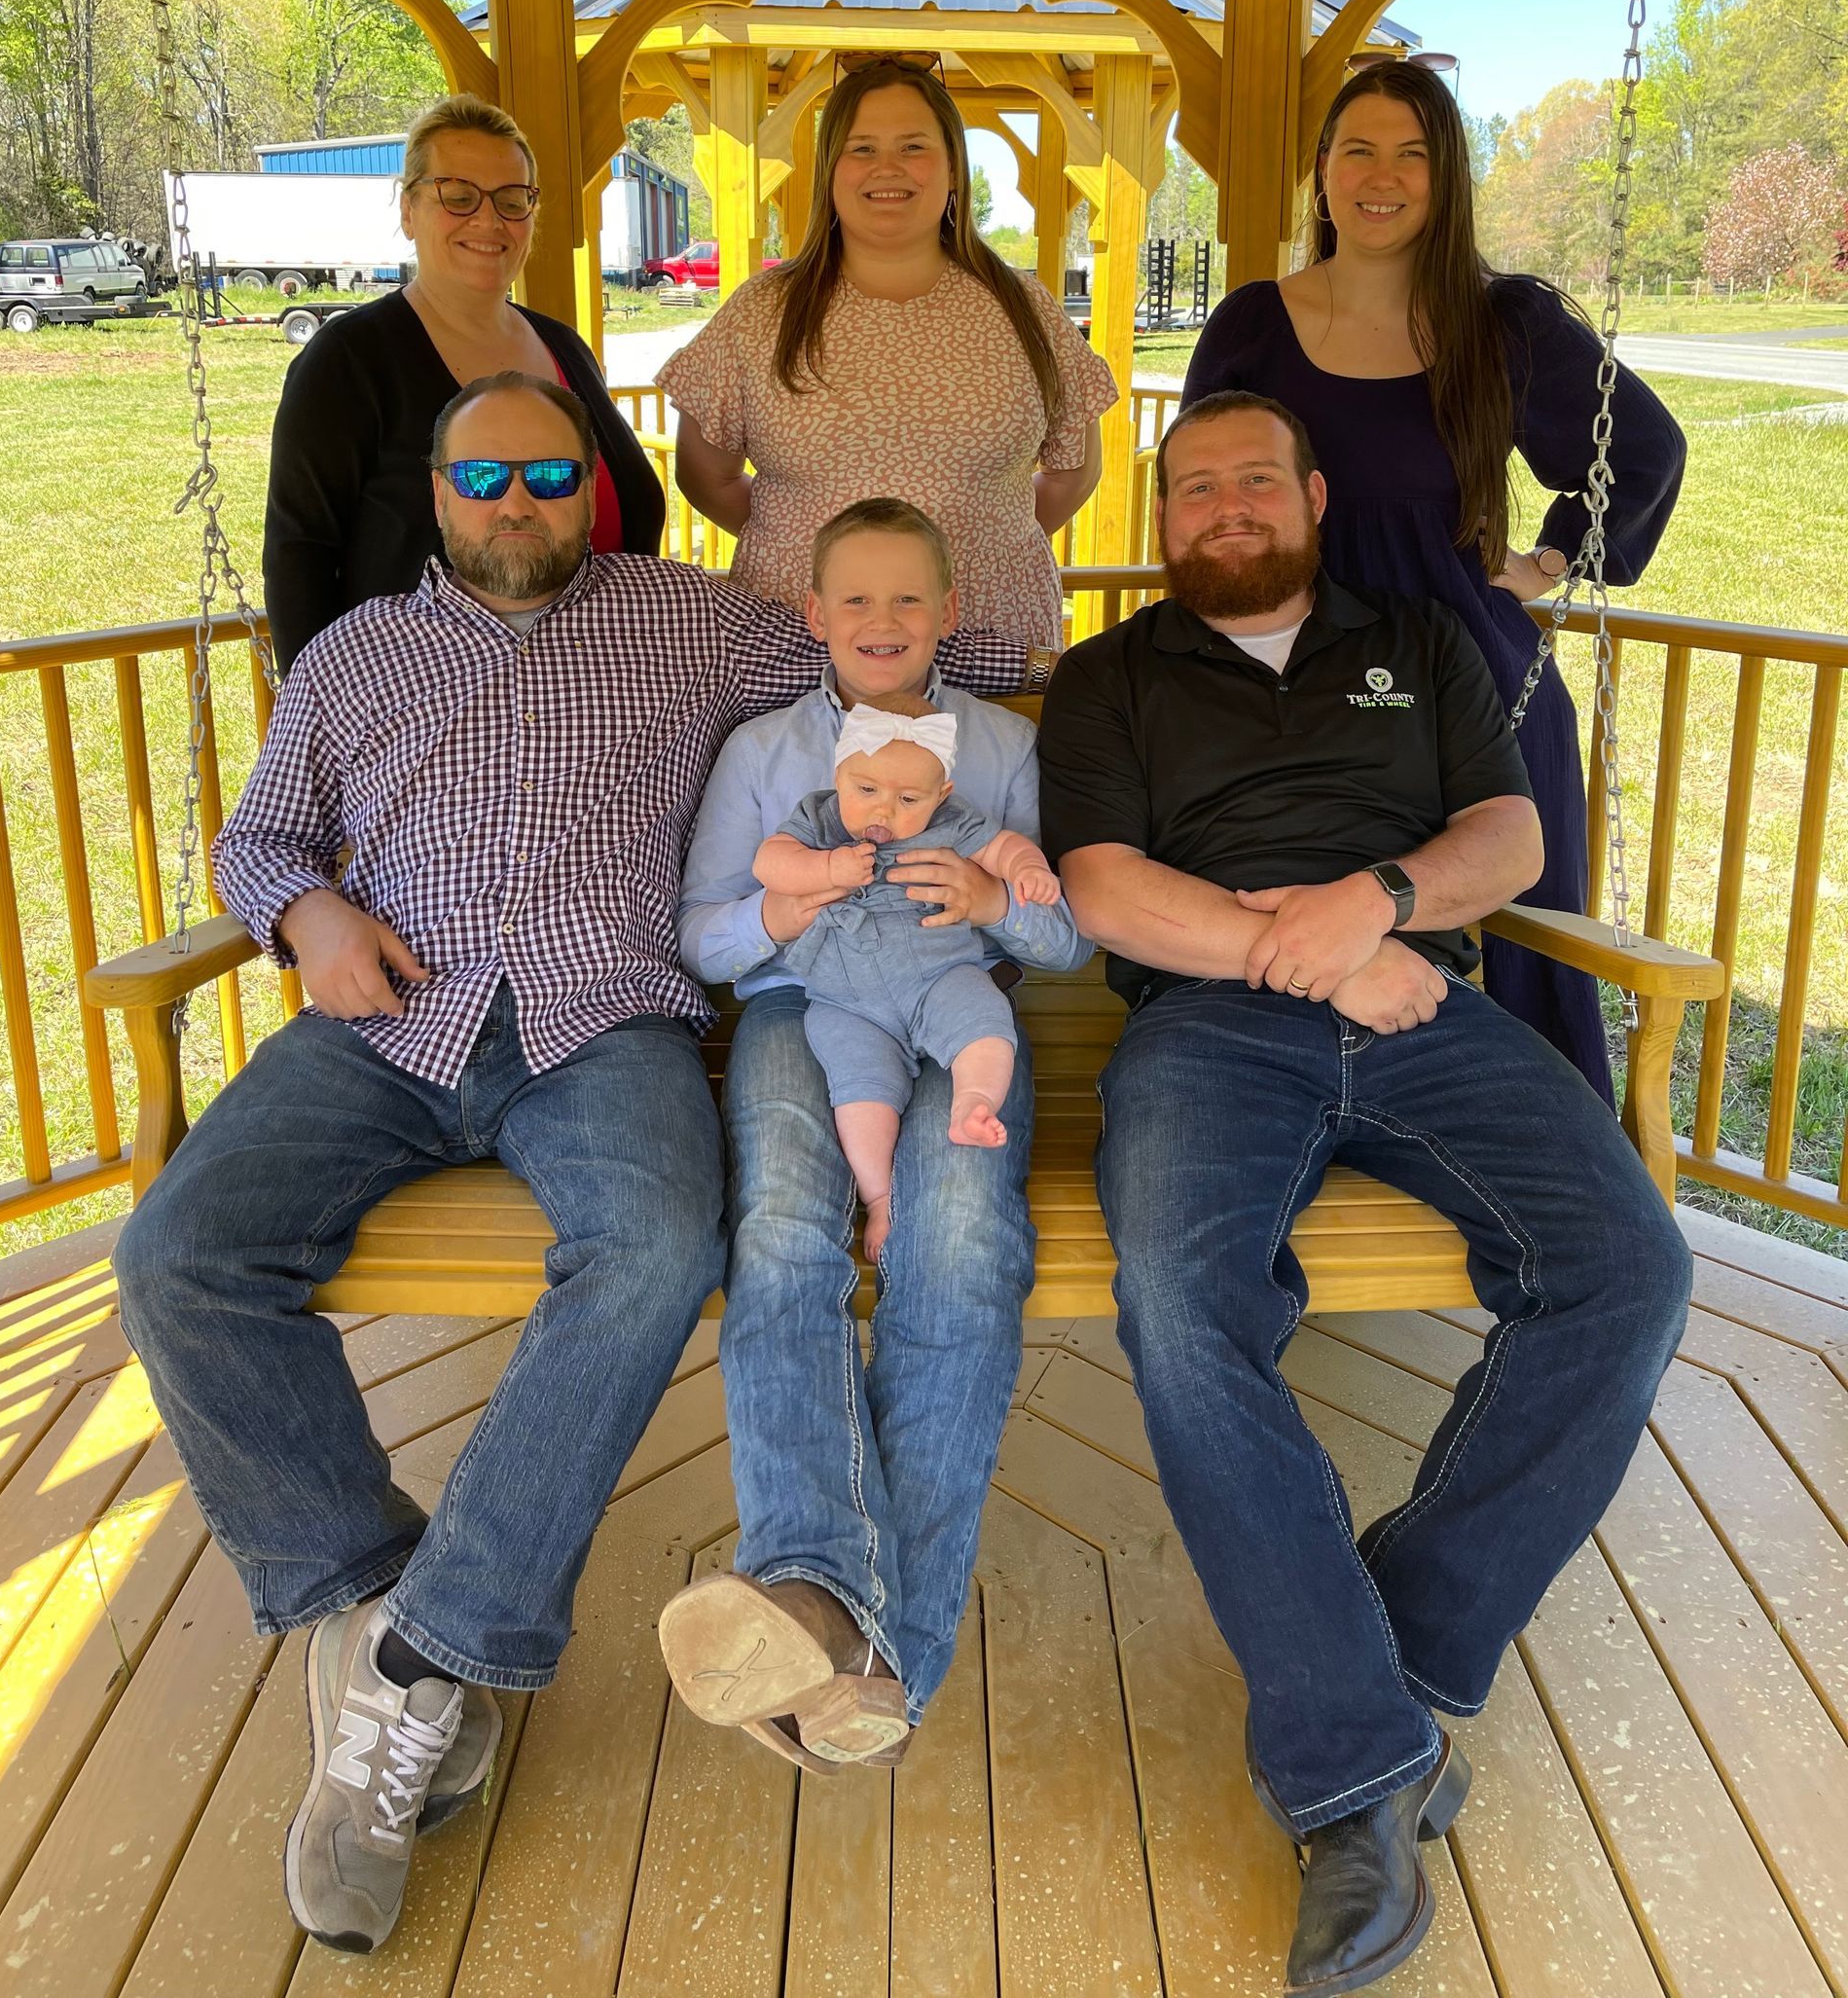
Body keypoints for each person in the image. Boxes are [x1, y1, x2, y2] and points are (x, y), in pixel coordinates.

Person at [113, 378, 1033, 1955]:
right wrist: (308, 915)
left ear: (594, 488)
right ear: (438, 492)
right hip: (386, 1017)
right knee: (176, 1256)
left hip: (600, 1025)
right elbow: (262, 841)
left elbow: (890, 644)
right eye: (486, 479)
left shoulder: (696, 624)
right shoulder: (354, 656)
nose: (520, 501)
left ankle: (415, 1669)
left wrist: (1063, 644)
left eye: (551, 474)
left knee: (659, 1248)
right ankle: (382, 1597)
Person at [1037, 390, 1691, 1998]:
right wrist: (1315, 951)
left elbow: (1508, 836)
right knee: (1186, 1307)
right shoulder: (1114, 673)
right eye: (1196, 486)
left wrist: (1380, 901)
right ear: (1162, 515)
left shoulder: (1416, 639)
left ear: (1314, 496)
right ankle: (1358, 1779)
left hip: (1423, 1008)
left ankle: (1385, 1667)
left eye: (1256, 478)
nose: (1227, 505)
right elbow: (1104, 885)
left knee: (1628, 1266)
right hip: (1209, 1026)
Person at [664, 497, 1089, 1772]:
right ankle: (840, 1615)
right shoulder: (763, 752)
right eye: (855, 597)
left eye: (910, 597)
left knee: (959, 1245)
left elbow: (1065, 941)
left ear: (951, 612)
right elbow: (704, 935)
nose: (883, 621)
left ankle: (855, 1643)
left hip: (961, 1015)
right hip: (801, 1012)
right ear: (814, 614)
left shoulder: (1003, 748)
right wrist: (792, 913)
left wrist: (993, 897)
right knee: (785, 1234)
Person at [1179, 57, 1685, 1101]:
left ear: (1446, 176)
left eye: (1412, 154)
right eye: (1358, 149)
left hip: (1472, 679)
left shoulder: (1503, 324)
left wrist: (1549, 561)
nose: (1383, 176)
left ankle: (1546, 1149)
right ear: (1322, 170)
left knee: (1515, 934)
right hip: (1294, 674)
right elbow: (1199, 487)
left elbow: (1641, 449)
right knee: (1301, 912)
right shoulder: (1253, 325)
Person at [659, 54, 1117, 647]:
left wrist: (985, 542)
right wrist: (807, 547)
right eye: (862, 148)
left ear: (954, 168)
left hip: (992, 634)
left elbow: (1074, 471)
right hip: (803, 645)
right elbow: (706, 478)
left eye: (913, 146)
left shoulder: (1024, 306)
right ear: (829, 171)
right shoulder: (762, 311)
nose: (888, 167)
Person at [262, 91, 664, 672]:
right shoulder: (347, 360)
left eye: (511, 200)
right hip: (423, 712)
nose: (488, 220)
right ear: (408, 209)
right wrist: (320, 710)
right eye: (458, 196)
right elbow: (300, 555)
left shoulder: (566, 348)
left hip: (605, 693)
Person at [750, 692, 1063, 1254]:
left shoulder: (953, 821)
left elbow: (1003, 847)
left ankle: (972, 1102)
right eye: (866, 790)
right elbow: (769, 862)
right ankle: (879, 1198)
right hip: (847, 1001)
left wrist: (1027, 869)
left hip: (940, 976)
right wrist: (824, 866)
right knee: (859, 1093)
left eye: (908, 798)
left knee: (984, 1021)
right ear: (839, 776)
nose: (883, 812)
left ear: (941, 794)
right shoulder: (819, 818)